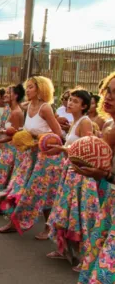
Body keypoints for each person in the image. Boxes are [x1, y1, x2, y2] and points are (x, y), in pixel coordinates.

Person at [2, 76, 64, 239]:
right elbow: (26, 128)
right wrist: (18, 134)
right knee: (18, 186)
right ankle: (14, 222)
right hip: (30, 155)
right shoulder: (27, 106)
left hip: (46, 157)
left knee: (44, 192)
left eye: (31, 87)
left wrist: (37, 140)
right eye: (27, 87)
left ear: (40, 89)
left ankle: (47, 228)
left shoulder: (45, 108)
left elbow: (57, 133)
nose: (27, 90)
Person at [46, 88, 99, 272]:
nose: (70, 103)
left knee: (80, 217)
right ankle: (64, 250)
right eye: (70, 100)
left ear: (84, 106)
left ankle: (85, 258)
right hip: (70, 174)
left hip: (81, 177)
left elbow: (87, 150)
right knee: (66, 213)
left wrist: (61, 149)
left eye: (75, 101)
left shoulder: (85, 122)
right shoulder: (75, 121)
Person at [76, 72, 115, 283]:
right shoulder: (108, 126)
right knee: (99, 256)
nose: (108, 97)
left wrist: (106, 175)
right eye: (108, 91)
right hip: (110, 200)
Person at [0, 84, 25, 213]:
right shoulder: (11, 110)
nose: (5, 95)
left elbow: (16, 136)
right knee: (3, 178)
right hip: (6, 150)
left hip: (12, 151)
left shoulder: (16, 112)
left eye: (9, 93)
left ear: (16, 96)